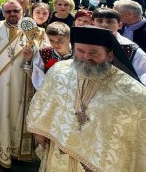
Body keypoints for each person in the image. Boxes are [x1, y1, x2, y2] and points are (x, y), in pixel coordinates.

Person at [26, 26, 146, 172]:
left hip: (96, 162)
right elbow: (43, 101)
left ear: (110, 55)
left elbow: (136, 132)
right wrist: (40, 131)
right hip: (58, 150)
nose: (86, 57)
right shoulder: (59, 71)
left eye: (94, 53)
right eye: (80, 51)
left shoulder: (132, 91)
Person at [0, 0, 46, 168]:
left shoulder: (32, 30)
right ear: (3, 13)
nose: (12, 14)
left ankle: (19, 150)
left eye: (16, 11)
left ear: (22, 11)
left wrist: (32, 55)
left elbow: (43, 55)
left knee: (20, 114)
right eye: (8, 11)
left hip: (24, 81)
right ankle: (1, 148)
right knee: (1, 112)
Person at [92, 7, 146, 84]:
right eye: (99, 21)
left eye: (110, 22)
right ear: (93, 23)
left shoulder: (131, 49)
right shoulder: (83, 42)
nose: (104, 25)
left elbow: (143, 76)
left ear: (120, 25)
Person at [31, 22, 72, 90]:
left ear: (69, 38)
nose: (56, 44)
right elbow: (38, 77)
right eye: (51, 40)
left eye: (60, 40)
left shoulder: (78, 54)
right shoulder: (44, 53)